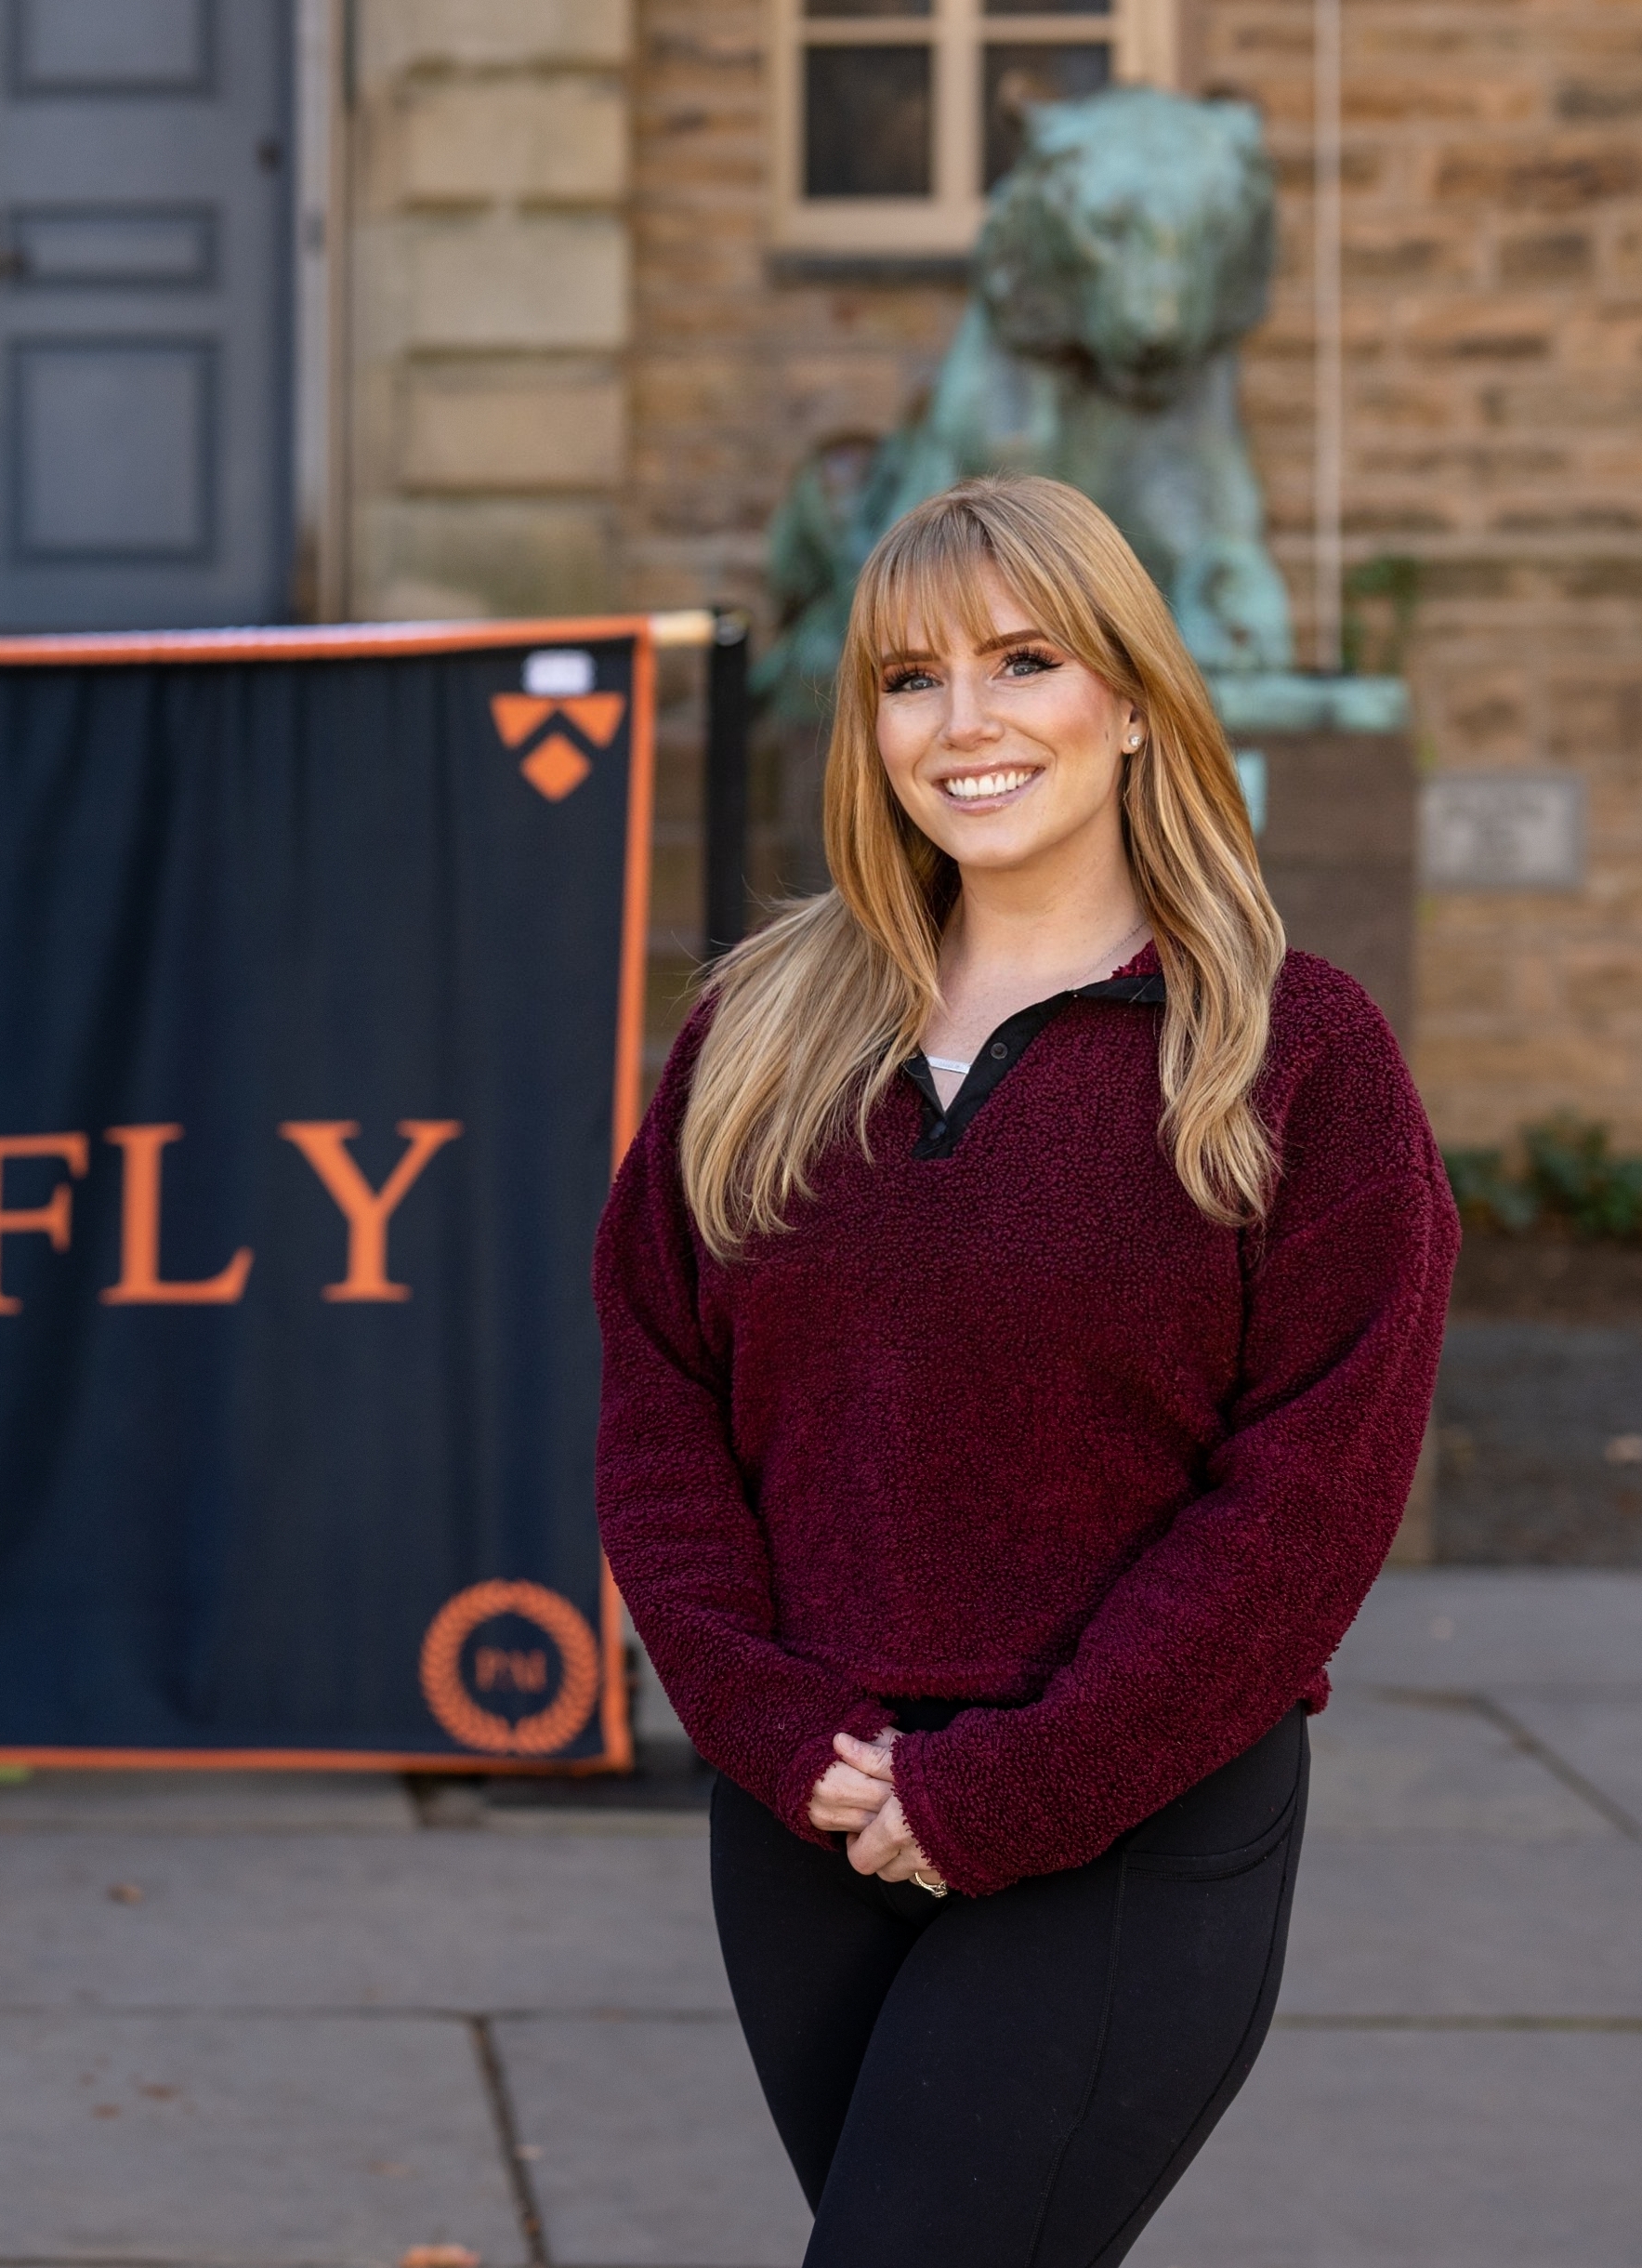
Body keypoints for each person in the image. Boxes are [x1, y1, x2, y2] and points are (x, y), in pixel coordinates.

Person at [594, 477, 1455, 2265]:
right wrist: (766, 1730)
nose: (964, 724)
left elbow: (1309, 1500)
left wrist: (1011, 1790)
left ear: (1132, 699)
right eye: (910, 680)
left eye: (1025, 660)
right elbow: (659, 1403)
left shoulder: (1295, 1056)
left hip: (1125, 1824)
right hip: (810, 1814)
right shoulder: (756, 1032)